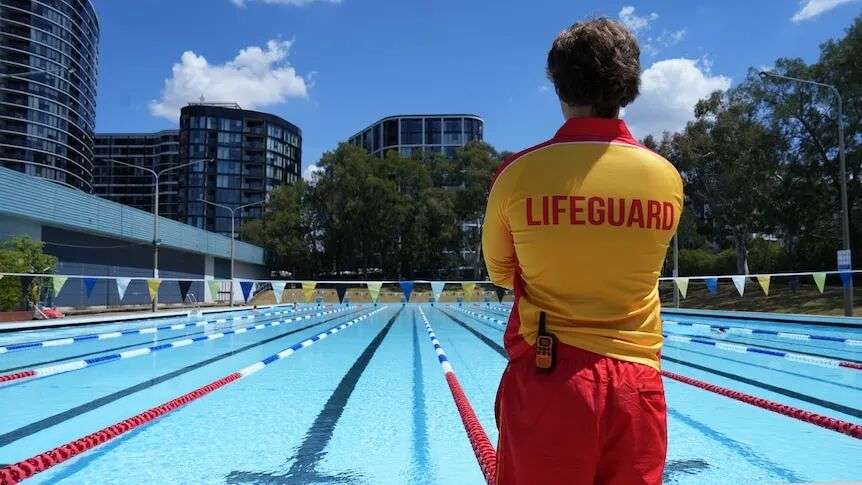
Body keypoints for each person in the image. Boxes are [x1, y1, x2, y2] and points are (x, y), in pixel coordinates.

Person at [482, 18, 683, 485]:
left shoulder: (519, 175)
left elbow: (498, 271)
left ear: (558, 84)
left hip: (550, 377)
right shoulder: (665, 178)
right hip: (639, 385)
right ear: (629, 85)